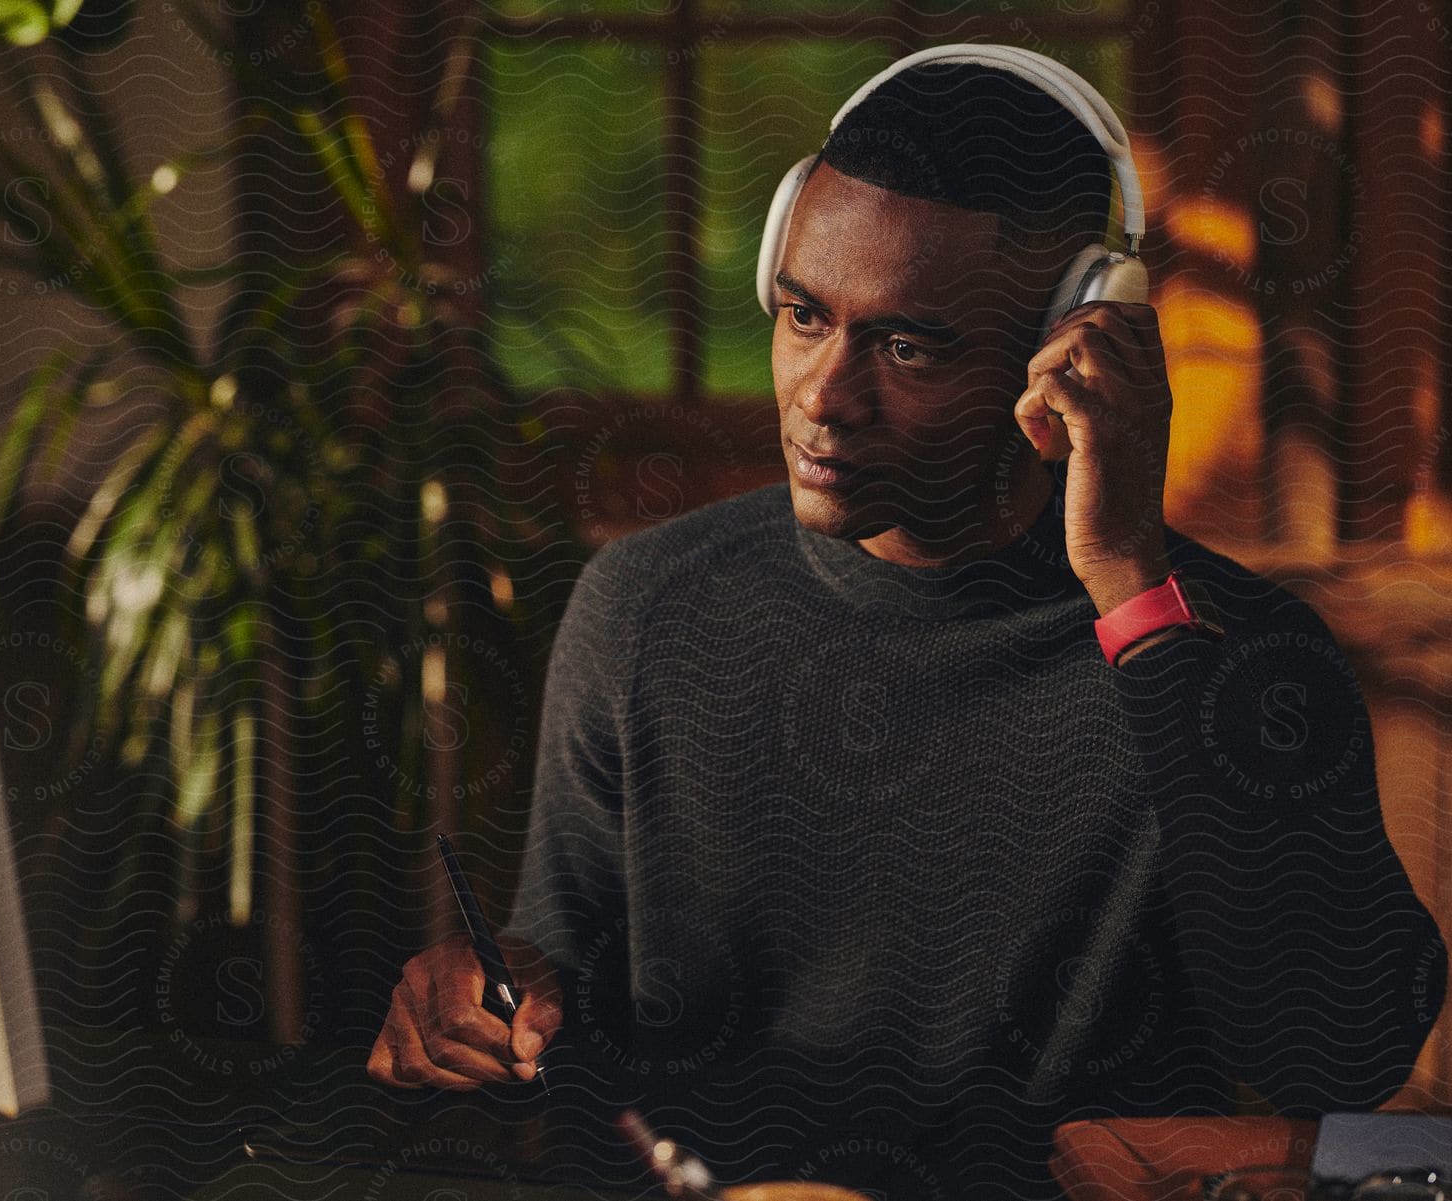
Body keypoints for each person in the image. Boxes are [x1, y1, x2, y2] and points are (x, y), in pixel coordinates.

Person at [366, 51, 1447, 1200]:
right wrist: (495, 1000)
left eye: (909, 345)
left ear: (1074, 347)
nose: (822, 396)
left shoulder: (1235, 645)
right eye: (802, 315)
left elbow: (1336, 1061)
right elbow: (565, 991)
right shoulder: (643, 603)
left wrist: (1132, 589)